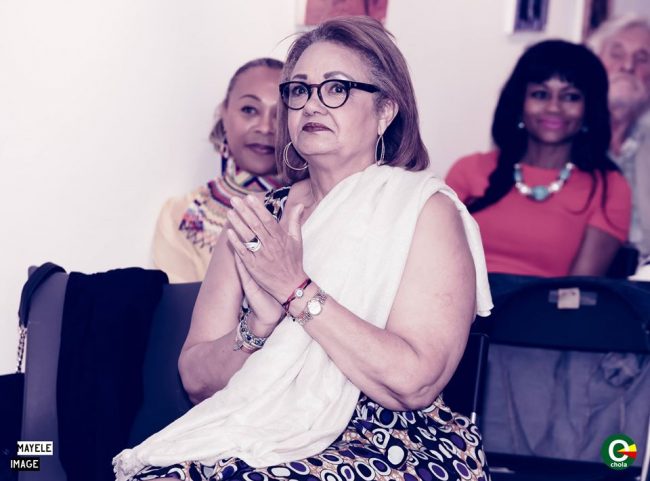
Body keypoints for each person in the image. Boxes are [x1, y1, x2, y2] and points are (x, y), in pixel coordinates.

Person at [114, 16, 493, 481]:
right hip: (255, 433)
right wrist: (257, 326)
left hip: (390, 443)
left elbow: (415, 383)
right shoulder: (258, 219)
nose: (312, 104)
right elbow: (195, 381)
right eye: (299, 90)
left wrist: (296, 290)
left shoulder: (425, 211)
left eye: (336, 88)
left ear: (385, 111)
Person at [446, 39, 631, 278]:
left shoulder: (609, 188)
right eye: (540, 94)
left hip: (549, 303)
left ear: (589, 110)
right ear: (519, 103)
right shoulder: (469, 170)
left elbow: (578, 289)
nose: (554, 108)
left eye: (571, 97)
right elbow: (435, 260)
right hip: (458, 299)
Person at [152, 58, 285, 283]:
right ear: (224, 114)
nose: (265, 127)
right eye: (249, 110)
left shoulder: (317, 208)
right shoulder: (182, 216)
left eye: (281, 114)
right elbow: (185, 304)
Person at [588, 14, 650, 279]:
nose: (627, 66)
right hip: (576, 282)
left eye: (642, 58)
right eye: (616, 54)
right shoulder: (564, 136)